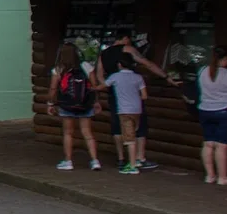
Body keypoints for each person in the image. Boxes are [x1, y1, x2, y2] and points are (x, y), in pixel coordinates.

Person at [96, 29, 163, 169]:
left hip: (114, 92)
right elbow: (147, 63)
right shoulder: (128, 49)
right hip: (131, 96)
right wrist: (165, 76)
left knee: (117, 126)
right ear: (125, 38)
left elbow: (99, 74)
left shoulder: (104, 53)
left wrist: (108, 86)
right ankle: (139, 158)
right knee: (139, 125)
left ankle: (121, 158)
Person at [46, 42, 100, 171]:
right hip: (85, 104)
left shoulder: (59, 69)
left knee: (68, 133)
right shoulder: (86, 66)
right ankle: (95, 160)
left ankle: (68, 161)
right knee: (87, 133)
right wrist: (96, 102)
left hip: (67, 105)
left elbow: (53, 89)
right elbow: (94, 86)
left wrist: (50, 103)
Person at [197, 46, 227, 185]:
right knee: (221, 145)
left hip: (205, 110)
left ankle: (210, 175)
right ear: (225, 58)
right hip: (225, 110)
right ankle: (222, 177)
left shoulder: (202, 71)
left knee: (208, 144)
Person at [102, 53, 149, 175]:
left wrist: (92, 88)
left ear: (119, 64)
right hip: (137, 110)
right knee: (135, 133)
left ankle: (132, 166)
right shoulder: (138, 77)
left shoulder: (115, 77)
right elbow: (144, 96)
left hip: (124, 110)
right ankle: (136, 160)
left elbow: (103, 86)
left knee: (129, 138)